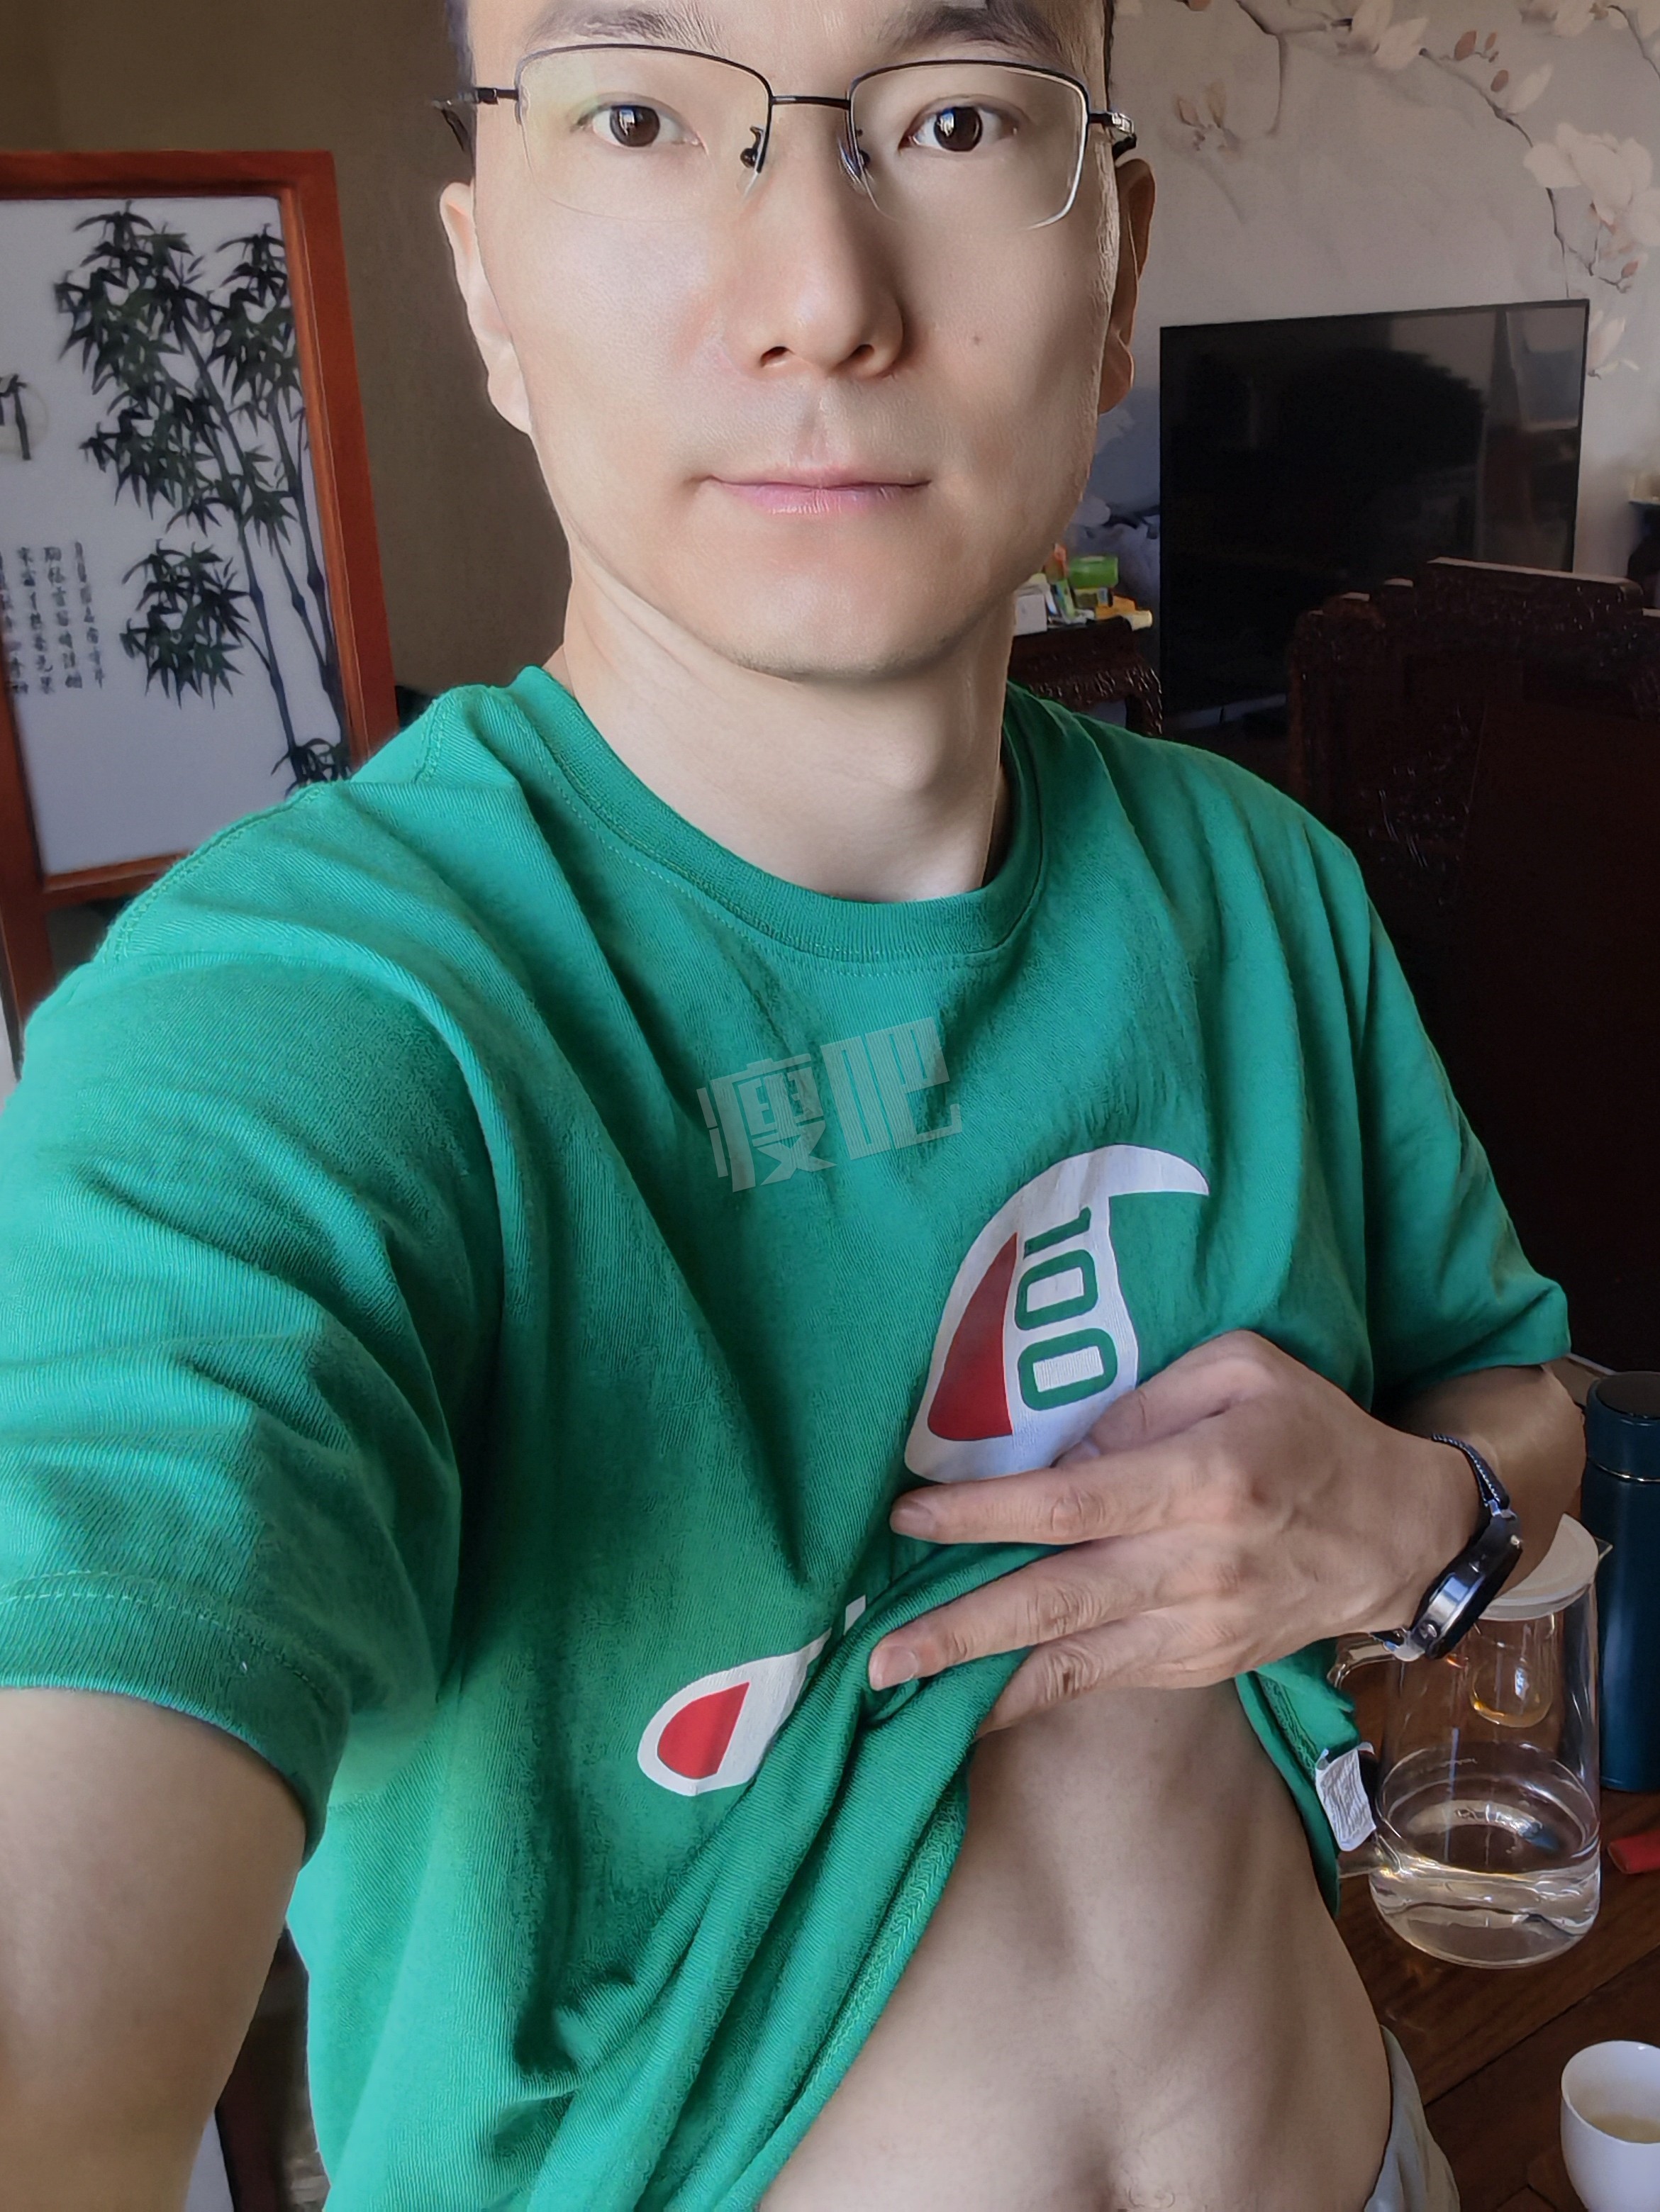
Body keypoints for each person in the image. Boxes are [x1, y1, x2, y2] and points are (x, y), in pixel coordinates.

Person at [0, 0, 1583, 2206]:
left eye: (953, 119)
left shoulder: (1258, 879)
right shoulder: (296, 1024)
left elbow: (1518, 1399)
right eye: (642, 114)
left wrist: (1413, 1519)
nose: (824, 298)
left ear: (1116, 266)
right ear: (487, 283)